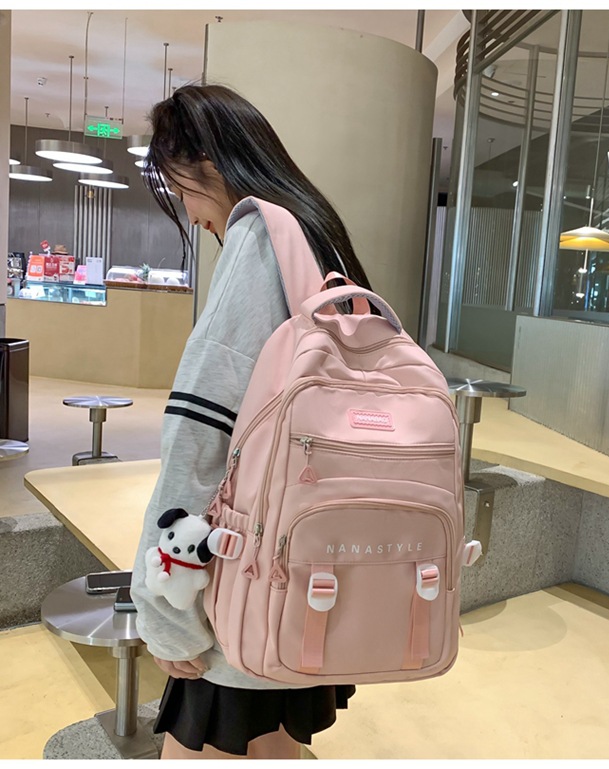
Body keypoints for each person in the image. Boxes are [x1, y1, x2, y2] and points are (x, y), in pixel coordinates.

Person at [130, 82, 371, 760]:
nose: (190, 213)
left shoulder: (260, 236)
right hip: (313, 569)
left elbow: (201, 435)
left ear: (206, 162)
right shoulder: (317, 234)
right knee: (274, 745)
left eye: (179, 189)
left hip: (247, 584)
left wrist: (163, 607)